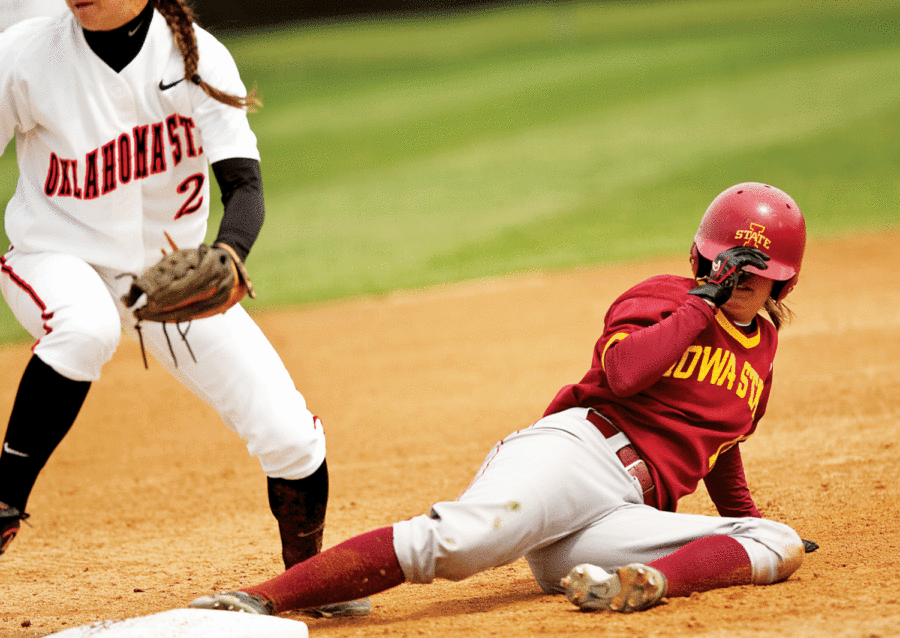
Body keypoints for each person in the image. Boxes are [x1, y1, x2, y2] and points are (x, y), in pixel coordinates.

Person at [187, 182, 810, 616]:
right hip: (578, 453)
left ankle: (641, 585)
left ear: (782, 278)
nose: (740, 279)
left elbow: (723, 445)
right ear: (705, 254)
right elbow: (622, 373)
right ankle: (265, 597)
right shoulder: (663, 298)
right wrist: (702, 303)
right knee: (460, 543)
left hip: (618, 519)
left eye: (756, 272)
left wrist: (746, 518)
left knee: (775, 542)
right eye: (730, 261)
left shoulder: (764, 351)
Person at [0, 0, 369, 617]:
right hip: (55, 257)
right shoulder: (26, 54)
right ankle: (5, 498)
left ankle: (307, 580)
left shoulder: (198, 58)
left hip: (168, 282)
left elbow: (244, 188)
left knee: (292, 437)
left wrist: (229, 253)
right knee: (85, 327)